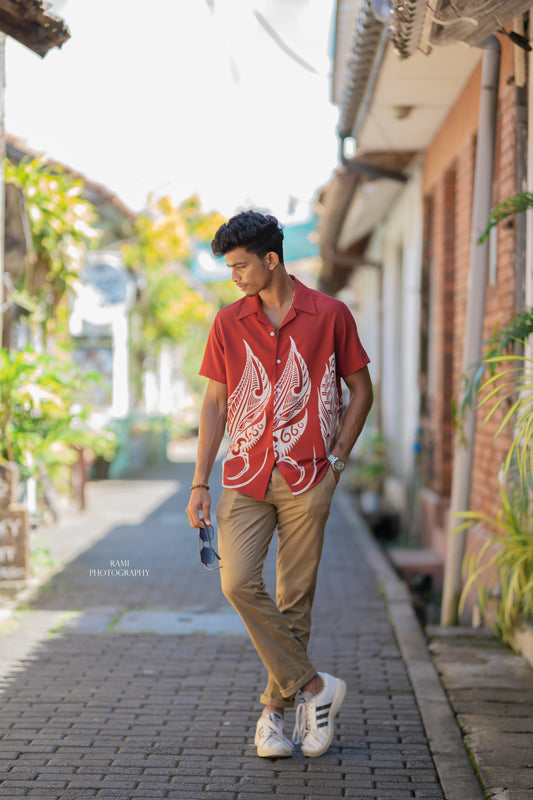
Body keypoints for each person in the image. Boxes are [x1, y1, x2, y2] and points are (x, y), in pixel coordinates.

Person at [186, 210, 373, 759]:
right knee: (238, 582)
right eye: (229, 268)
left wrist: (336, 467)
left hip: (309, 475)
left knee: (295, 599)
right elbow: (215, 402)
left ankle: (274, 717)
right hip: (244, 474)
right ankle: (316, 688)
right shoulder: (227, 322)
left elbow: (361, 392)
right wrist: (199, 482)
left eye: (242, 266)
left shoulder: (331, 315)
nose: (235, 277)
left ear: (272, 259)